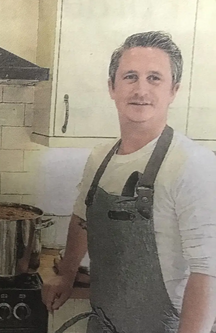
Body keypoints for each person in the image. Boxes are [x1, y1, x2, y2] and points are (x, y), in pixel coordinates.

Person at [43, 31, 216, 333]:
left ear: (174, 90)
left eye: (154, 78)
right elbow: (82, 220)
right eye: (130, 77)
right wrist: (67, 274)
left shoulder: (193, 164)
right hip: (104, 323)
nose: (141, 89)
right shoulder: (100, 158)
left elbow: (207, 272)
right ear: (112, 87)